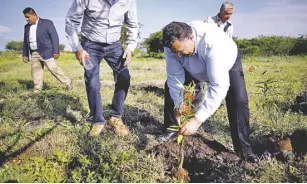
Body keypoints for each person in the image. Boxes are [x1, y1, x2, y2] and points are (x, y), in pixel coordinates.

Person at [157, 21, 259, 163]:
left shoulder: (213, 44)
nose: (178, 55)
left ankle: (244, 150)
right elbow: (175, 80)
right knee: (170, 86)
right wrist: (179, 107)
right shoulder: (172, 48)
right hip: (193, 65)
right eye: (175, 52)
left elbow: (218, 86)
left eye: (180, 50)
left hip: (227, 63)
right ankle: (172, 130)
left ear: (191, 38)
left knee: (238, 100)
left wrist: (197, 120)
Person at [65, 0, 138, 137]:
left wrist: (130, 47)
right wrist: (77, 48)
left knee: (124, 77)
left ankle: (115, 116)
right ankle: (97, 120)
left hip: (115, 45)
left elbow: (132, 25)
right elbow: (71, 21)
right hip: (90, 45)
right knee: (92, 82)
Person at [22, 7, 72, 93]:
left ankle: (68, 83)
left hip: (46, 51)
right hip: (34, 53)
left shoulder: (47, 23)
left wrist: (56, 51)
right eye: (25, 17)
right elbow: (26, 41)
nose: (26, 19)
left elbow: (54, 37)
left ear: (34, 15)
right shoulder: (26, 27)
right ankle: (37, 89)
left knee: (53, 69)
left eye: (28, 17)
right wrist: (25, 54)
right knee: (35, 72)